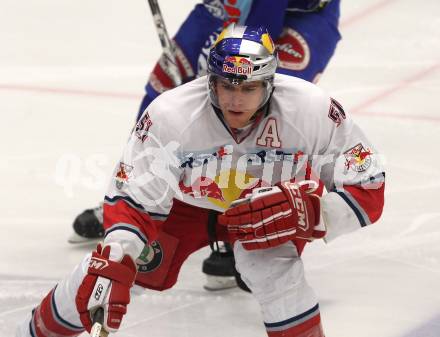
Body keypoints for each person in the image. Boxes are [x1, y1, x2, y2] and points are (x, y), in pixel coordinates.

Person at [17, 23, 385, 337]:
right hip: (181, 210)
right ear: (211, 80)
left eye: (248, 88)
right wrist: (119, 254)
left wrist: (316, 212)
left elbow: (368, 182)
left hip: (265, 214)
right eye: (226, 85)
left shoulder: (314, 110)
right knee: (105, 276)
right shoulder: (169, 114)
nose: (235, 99)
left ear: (270, 84)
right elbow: (133, 202)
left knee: (277, 277)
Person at [70, 0, 342, 291]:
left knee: (256, 99)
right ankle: (137, 196)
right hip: (227, 5)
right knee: (165, 86)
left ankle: (241, 220)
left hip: (298, 13)